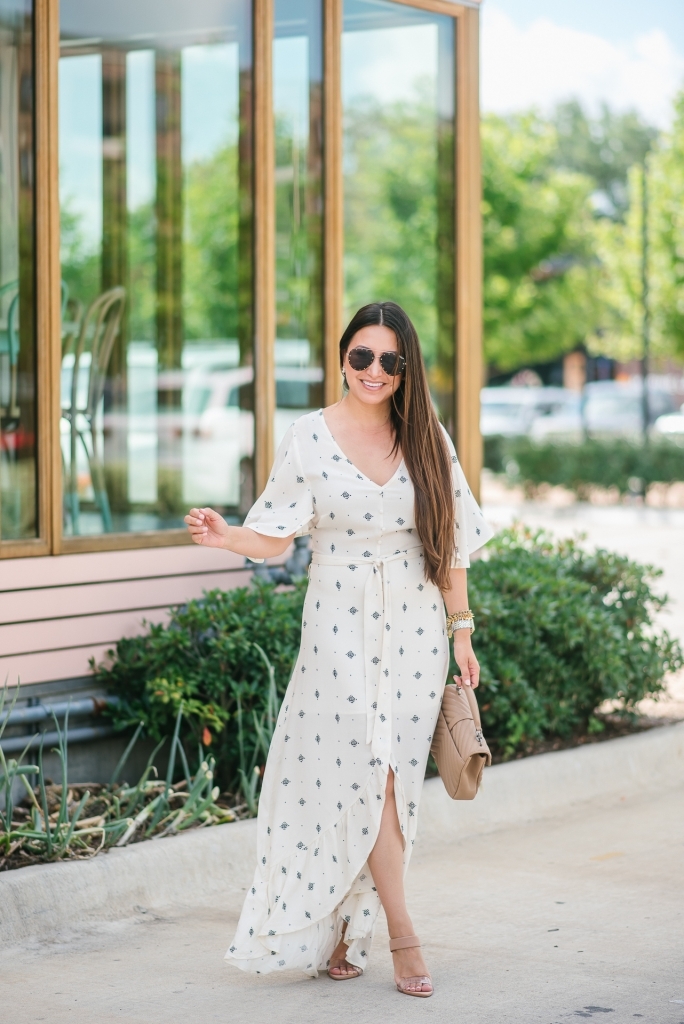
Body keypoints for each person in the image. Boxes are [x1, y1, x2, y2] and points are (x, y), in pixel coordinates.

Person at [184, 301, 493, 997]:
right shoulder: (309, 435)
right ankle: (402, 935)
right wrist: (227, 534)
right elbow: (276, 532)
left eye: (389, 360)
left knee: (390, 782)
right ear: (343, 356)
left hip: (415, 629)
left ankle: (345, 933)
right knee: (362, 775)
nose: (374, 371)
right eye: (362, 356)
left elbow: (452, 544)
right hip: (337, 626)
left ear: (406, 368)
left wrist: (462, 630)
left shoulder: (427, 437)